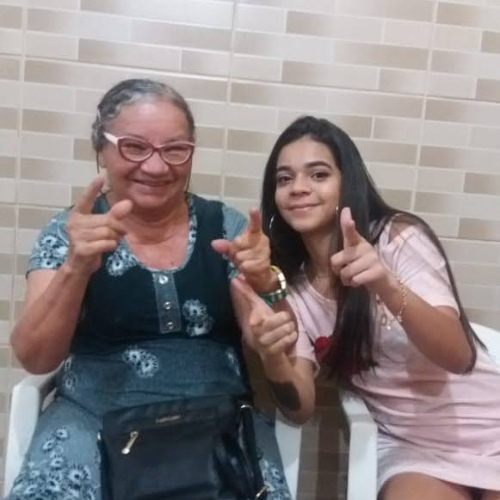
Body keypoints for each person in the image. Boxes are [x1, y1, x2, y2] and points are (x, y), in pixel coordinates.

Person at [7, 78, 310, 500]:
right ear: (101, 148)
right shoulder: (69, 232)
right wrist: (75, 266)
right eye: (134, 147)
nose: (156, 166)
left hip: (215, 426)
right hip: (92, 421)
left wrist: (265, 290)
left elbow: (273, 337)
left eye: (175, 149)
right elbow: (35, 357)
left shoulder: (227, 228)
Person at [248, 115, 500, 500]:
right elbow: (300, 408)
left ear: (347, 183)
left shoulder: (397, 238)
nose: (298, 187)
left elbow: (458, 356)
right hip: (413, 448)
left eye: (318, 174)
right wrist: (272, 358)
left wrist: (385, 284)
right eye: (284, 179)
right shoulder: (292, 290)